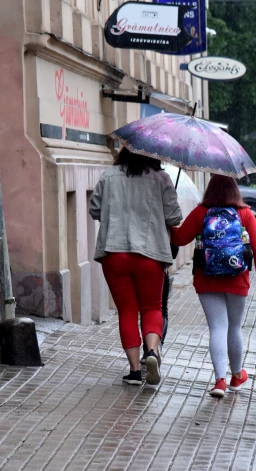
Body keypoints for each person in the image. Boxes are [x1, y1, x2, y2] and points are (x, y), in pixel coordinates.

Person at [170, 174, 256, 398]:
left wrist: (168, 223)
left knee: (217, 327)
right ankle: (237, 376)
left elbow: (179, 239)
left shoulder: (201, 212)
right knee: (234, 327)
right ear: (234, 189)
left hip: (207, 278)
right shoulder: (245, 213)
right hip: (238, 277)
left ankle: (220, 381)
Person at [89, 148, 182, 386]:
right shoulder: (161, 178)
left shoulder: (109, 175)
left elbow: (95, 210)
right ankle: (151, 352)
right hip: (150, 255)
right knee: (152, 307)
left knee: (127, 311)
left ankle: (133, 372)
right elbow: (174, 218)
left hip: (114, 252)